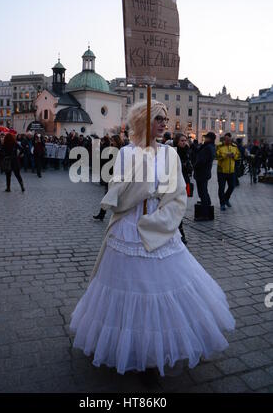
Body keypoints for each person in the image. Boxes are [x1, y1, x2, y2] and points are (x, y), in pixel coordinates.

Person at [70, 100, 235, 381]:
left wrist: (161, 215)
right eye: (158, 118)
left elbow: (177, 195)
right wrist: (140, 185)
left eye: (165, 119)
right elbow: (116, 192)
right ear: (143, 120)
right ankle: (132, 349)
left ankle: (154, 354)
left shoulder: (170, 154)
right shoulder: (125, 153)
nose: (163, 124)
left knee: (161, 290)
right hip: (129, 229)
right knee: (129, 289)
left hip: (157, 227)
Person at [93, 134, 123, 222]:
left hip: (116, 175)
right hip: (109, 175)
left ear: (117, 141)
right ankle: (101, 214)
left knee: (116, 196)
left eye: (113, 140)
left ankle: (117, 214)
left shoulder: (120, 150)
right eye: (111, 140)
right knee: (107, 194)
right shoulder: (111, 148)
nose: (111, 142)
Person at [173, 133, 193, 244]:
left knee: (181, 207)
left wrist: (187, 165)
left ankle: (180, 232)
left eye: (185, 140)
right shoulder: (173, 152)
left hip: (184, 182)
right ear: (177, 141)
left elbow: (191, 168)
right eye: (181, 140)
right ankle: (180, 233)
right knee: (176, 208)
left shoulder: (187, 152)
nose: (184, 142)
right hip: (174, 183)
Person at [193, 132, 216, 221]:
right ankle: (207, 205)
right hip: (204, 173)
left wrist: (194, 166)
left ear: (209, 139)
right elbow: (198, 151)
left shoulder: (208, 148)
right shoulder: (209, 146)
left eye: (206, 137)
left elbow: (202, 161)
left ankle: (205, 214)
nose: (204, 139)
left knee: (202, 193)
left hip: (202, 173)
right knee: (204, 191)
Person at [216, 133, 240, 210]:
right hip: (221, 171)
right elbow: (216, 156)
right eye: (226, 140)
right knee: (221, 188)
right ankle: (222, 203)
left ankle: (226, 199)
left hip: (231, 170)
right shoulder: (219, 146)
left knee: (232, 186)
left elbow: (238, 156)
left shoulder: (234, 146)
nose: (228, 141)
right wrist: (225, 155)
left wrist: (234, 156)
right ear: (224, 139)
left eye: (229, 140)